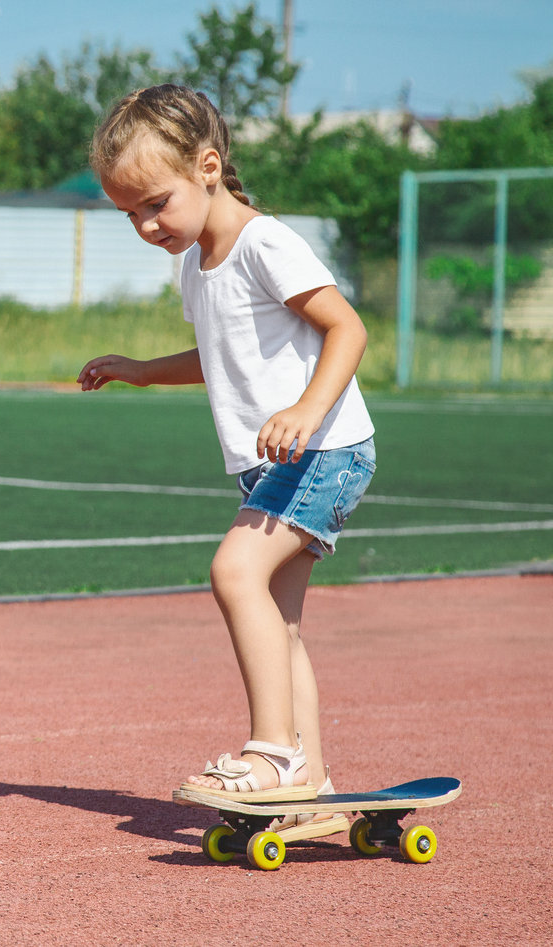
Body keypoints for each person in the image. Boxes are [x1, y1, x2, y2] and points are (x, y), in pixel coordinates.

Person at [78, 84, 376, 839]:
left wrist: (307, 410)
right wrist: (142, 369)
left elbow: (346, 329)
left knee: (235, 571)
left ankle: (271, 753)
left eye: (154, 203)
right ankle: (308, 777)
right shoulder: (197, 261)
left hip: (324, 450)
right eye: (129, 214)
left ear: (208, 166)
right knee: (280, 621)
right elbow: (223, 352)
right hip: (274, 462)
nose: (146, 224)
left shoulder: (265, 243)